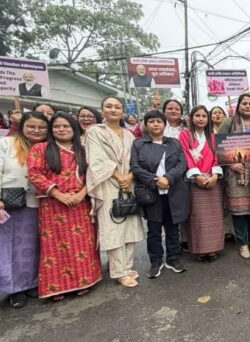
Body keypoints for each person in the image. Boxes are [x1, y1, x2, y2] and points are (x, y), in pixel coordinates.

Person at [28, 113, 102, 300]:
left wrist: (81, 194)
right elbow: (35, 174)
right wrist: (58, 194)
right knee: (55, 247)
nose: (61, 130)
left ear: (74, 129)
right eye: (57, 126)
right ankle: (57, 286)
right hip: (53, 205)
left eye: (66, 126)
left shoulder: (83, 150)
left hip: (80, 203)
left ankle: (84, 281)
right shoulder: (41, 148)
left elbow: (93, 174)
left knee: (82, 245)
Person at [0, 112, 48, 308]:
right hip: (6, 204)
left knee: (31, 246)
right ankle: (12, 288)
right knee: (5, 247)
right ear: (22, 127)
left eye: (41, 127)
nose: (36, 130)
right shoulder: (6, 144)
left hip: (34, 204)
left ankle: (31, 282)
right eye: (31, 126)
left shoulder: (46, 147)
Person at [85, 97, 145, 288]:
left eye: (117, 107)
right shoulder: (95, 132)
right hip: (108, 183)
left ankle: (128, 266)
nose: (113, 110)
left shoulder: (129, 135)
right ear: (102, 110)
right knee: (113, 228)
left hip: (128, 183)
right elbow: (97, 160)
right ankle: (119, 271)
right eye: (109, 106)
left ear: (123, 111)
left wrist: (130, 177)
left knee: (130, 226)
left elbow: (136, 159)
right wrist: (120, 177)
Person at [131, 110, 190, 278]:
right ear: (146, 125)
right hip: (151, 192)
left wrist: (168, 178)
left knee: (173, 228)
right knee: (154, 230)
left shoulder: (174, 143)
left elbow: (182, 164)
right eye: (151, 121)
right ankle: (156, 261)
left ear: (164, 124)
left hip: (173, 191)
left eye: (159, 121)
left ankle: (173, 258)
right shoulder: (138, 144)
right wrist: (155, 180)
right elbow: (135, 167)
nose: (155, 124)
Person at [218, 93, 250, 259]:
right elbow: (219, 145)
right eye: (244, 103)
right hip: (236, 172)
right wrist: (230, 164)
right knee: (239, 209)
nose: (247, 106)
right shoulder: (229, 122)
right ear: (238, 106)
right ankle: (243, 243)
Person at [180, 106, 225, 262]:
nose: (200, 119)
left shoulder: (212, 136)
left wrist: (215, 176)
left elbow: (217, 157)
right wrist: (197, 176)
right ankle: (200, 249)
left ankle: (213, 248)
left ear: (208, 119)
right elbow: (185, 154)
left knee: (214, 216)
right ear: (191, 118)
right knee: (198, 217)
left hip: (213, 181)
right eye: (197, 115)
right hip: (195, 181)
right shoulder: (184, 135)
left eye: (204, 116)